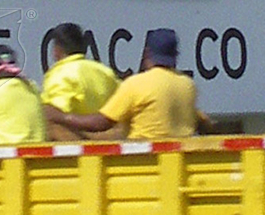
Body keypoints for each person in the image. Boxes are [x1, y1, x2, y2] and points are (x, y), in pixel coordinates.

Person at [52, 28, 208, 140]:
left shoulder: (136, 84)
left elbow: (101, 123)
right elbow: (201, 122)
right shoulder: (188, 85)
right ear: (175, 55)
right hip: (179, 158)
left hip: (142, 162)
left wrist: (62, 117)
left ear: (147, 53)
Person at [41, 22, 121, 140]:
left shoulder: (60, 75)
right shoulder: (105, 72)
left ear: (57, 49)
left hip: (76, 151)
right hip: (108, 146)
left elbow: (54, 116)